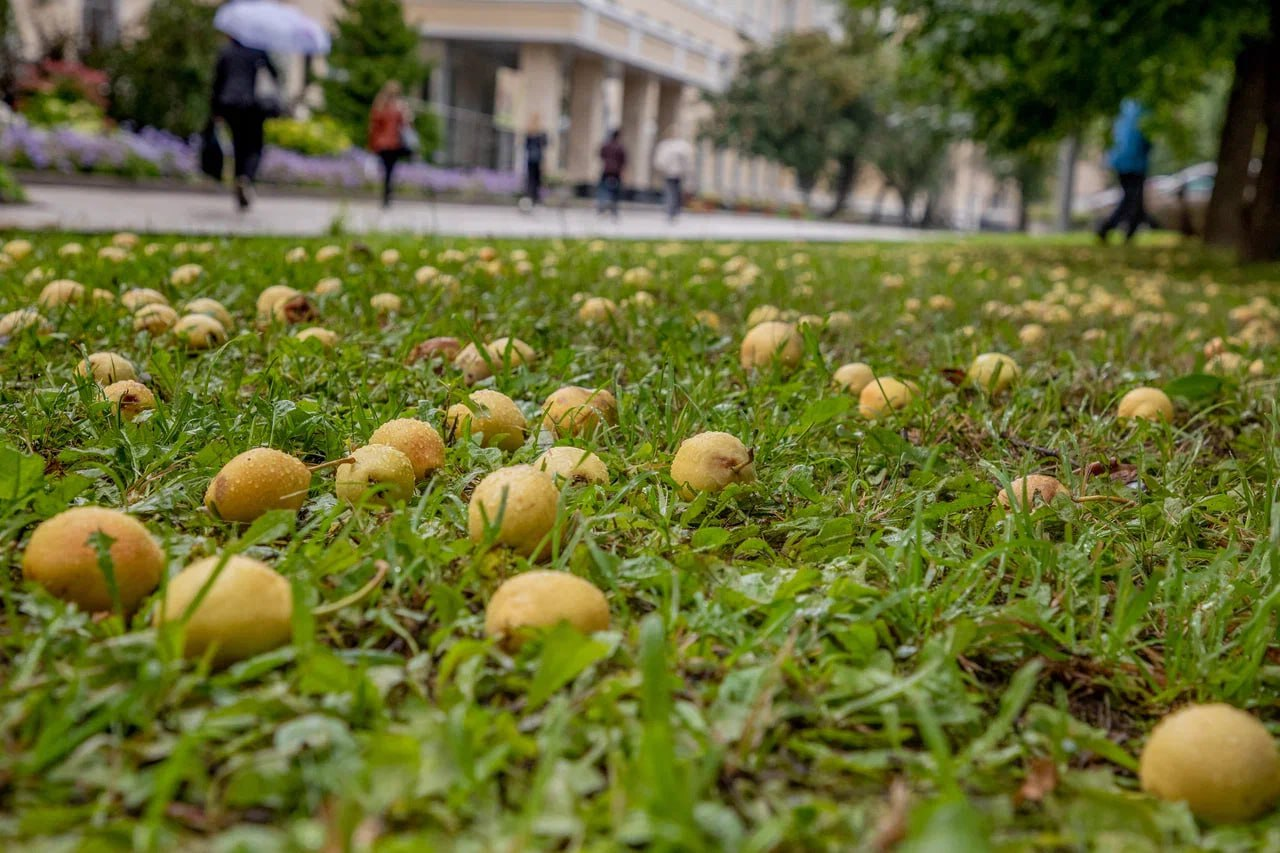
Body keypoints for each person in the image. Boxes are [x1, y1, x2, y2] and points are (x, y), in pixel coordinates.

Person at [211, 38, 278, 211]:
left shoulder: (226, 51)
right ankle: (246, 178)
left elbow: (218, 81)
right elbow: (274, 76)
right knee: (254, 146)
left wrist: (215, 111)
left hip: (230, 105)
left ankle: (239, 179)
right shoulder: (258, 51)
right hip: (253, 105)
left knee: (238, 145)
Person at [1097, 98, 1153, 243]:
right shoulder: (1145, 110)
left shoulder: (1126, 107)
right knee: (1132, 198)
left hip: (1121, 160)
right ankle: (1107, 227)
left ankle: (1130, 232)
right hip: (1134, 161)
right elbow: (1145, 139)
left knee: (1135, 198)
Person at [369, 81, 412, 208]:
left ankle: (386, 195)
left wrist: (372, 143)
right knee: (390, 171)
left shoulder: (380, 104)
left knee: (386, 170)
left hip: (382, 144)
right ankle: (387, 195)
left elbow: (373, 126)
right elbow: (406, 125)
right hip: (393, 143)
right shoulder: (398, 106)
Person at [653, 129, 694, 222]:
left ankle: (673, 211)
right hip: (669, 173)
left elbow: (687, 160)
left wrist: (686, 171)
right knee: (671, 193)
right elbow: (660, 160)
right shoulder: (666, 145)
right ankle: (670, 211)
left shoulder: (681, 146)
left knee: (675, 193)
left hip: (678, 173)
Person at [597, 129, 626, 219]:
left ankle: (602, 209)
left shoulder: (606, 146)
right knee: (615, 192)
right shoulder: (620, 147)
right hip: (616, 172)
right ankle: (614, 211)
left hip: (606, 170)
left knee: (603, 190)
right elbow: (623, 160)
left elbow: (601, 155)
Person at [523, 115, 548, 208]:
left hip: (531, 159)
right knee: (536, 179)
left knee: (531, 179)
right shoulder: (540, 134)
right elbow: (546, 144)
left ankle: (531, 196)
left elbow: (526, 146)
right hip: (537, 159)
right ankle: (535, 197)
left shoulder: (530, 133)